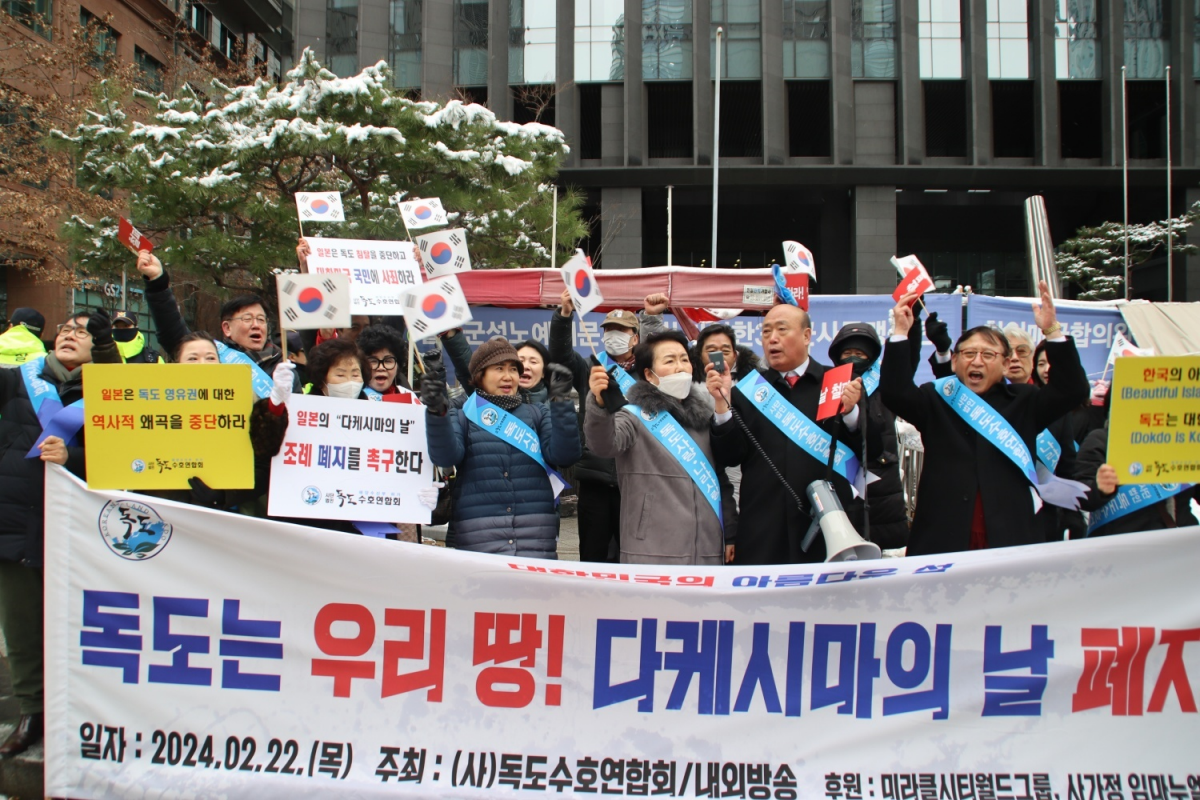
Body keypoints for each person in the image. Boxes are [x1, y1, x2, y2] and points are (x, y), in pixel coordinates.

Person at [880, 283, 1090, 555]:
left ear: (1005, 364)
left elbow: (1073, 390)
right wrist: (900, 332)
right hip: (943, 537)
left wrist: (1052, 331)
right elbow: (894, 393)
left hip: (1010, 537)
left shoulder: (1025, 401)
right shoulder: (936, 398)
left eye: (988, 354)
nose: (977, 361)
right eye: (969, 354)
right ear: (954, 362)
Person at [0, 309, 120, 757]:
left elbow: (126, 457)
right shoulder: (16, 382)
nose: (71, 334)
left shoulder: (113, 390)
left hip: (82, 527)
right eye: (66, 329)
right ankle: (32, 712)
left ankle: (83, 712)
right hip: (17, 521)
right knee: (22, 625)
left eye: (83, 332)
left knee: (88, 626)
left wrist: (74, 458)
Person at [710, 302, 864, 564]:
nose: (772, 339)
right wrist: (722, 405)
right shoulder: (747, 392)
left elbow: (870, 448)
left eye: (782, 330)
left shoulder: (840, 383)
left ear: (807, 336)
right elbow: (729, 456)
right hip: (763, 530)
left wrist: (850, 413)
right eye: (766, 332)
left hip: (829, 526)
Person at [422, 337, 580, 558]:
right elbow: (445, 457)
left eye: (513, 369)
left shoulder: (538, 414)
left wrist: (562, 404)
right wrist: (436, 412)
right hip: (480, 535)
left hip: (535, 535)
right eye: (499, 369)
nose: (508, 376)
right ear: (480, 375)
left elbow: (565, 455)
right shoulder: (463, 415)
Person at [585, 330, 734, 564]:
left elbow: (720, 480)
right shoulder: (634, 417)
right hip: (651, 553)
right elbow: (603, 445)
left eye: (684, 359)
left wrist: (730, 532)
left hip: (706, 552)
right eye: (670, 361)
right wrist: (599, 404)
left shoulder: (704, 417)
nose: (680, 367)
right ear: (649, 374)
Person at [548, 291, 646, 562]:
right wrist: (564, 315)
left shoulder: (648, 374)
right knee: (593, 556)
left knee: (633, 556)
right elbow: (560, 356)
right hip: (595, 480)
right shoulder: (591, 368)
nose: (613, 335)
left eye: (621, 330)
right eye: (609, 330)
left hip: (635, 479)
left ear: (635, 338)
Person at [136, 251, 298, 389]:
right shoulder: (214, 356)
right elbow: (172, 330)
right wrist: (157, 282)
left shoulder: (285, 369)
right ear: (227, 328)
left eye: (261, 319)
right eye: (247, 319)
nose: (256, 325)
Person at [828, 320, 919, 550]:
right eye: (847, 352)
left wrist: (912, 324)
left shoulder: (885, 384)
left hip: (881, 478)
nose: (853, 357)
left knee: (884, 549)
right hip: (840, 472)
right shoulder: (829, 384)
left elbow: (907, 363)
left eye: (860, 353)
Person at [1073, 390, 1198, 537]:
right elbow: (1081, 496)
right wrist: (1100, 489)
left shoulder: (1183, 444)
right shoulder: (1102, 440)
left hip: (1182, 539)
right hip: (1123, 542)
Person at [1031, 339, 1086, 540]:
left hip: (1046, 512)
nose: (1046, 369)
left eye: (1051, 363)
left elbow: (1067, 466)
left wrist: (1072, 514)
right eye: (1041, 363)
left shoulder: (1063, 413)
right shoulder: (996, 407)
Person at [357, 324, 416, 398]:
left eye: (388, 361)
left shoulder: (410, 398)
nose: (381, 368)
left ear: (398, 366)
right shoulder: (351, 398)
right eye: (373, 361)